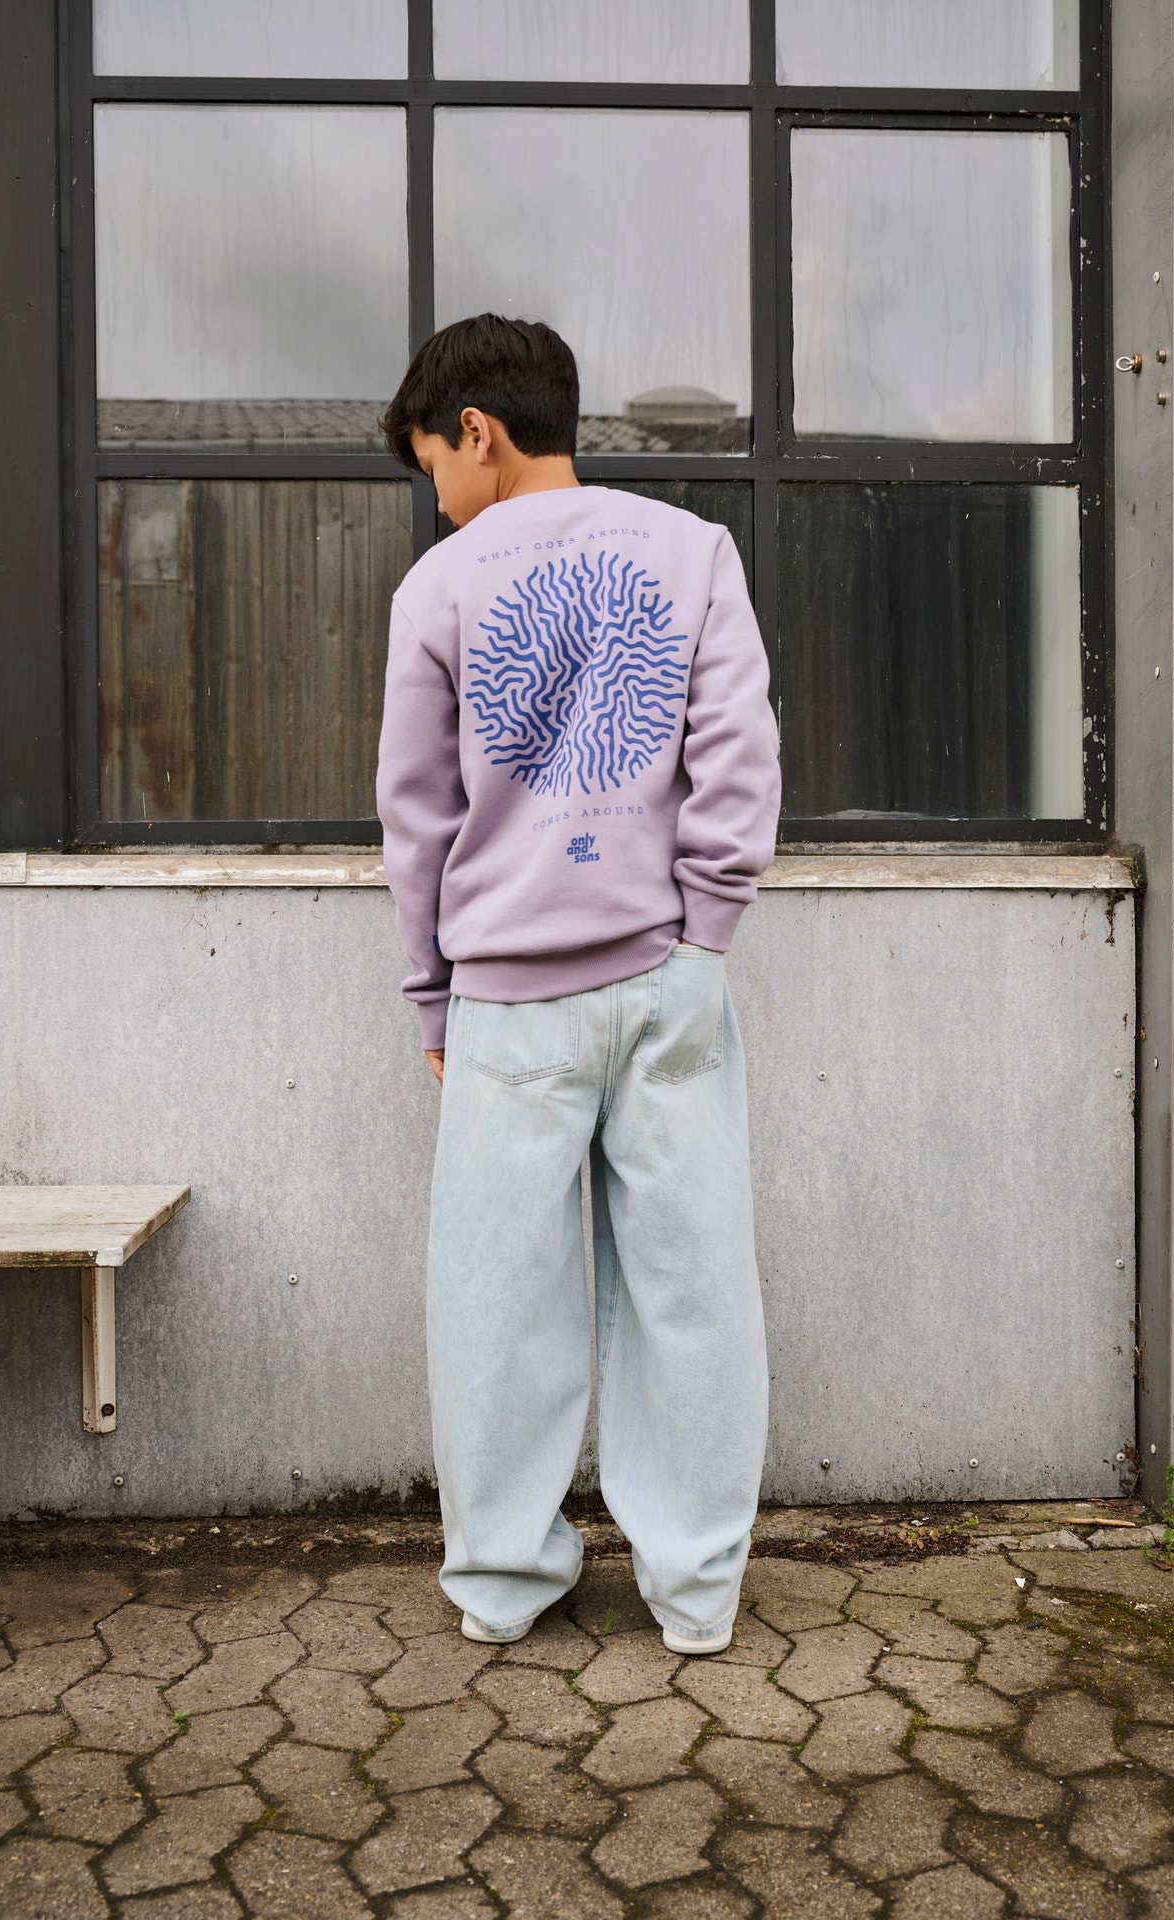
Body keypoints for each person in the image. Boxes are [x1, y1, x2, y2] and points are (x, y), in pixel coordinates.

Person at [376, 313, 781, 1654]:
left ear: (476, 432)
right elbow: (739, 760)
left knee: (498, 1300)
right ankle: (697, 1592)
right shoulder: (693, 552)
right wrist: (706, 933)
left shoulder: (439, 589)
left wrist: (432, 992)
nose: (438, 495)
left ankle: (502, 1584)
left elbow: (418, 819)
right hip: (667, 974)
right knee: (693, 1286)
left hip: (508, 995)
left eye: (434, 463)